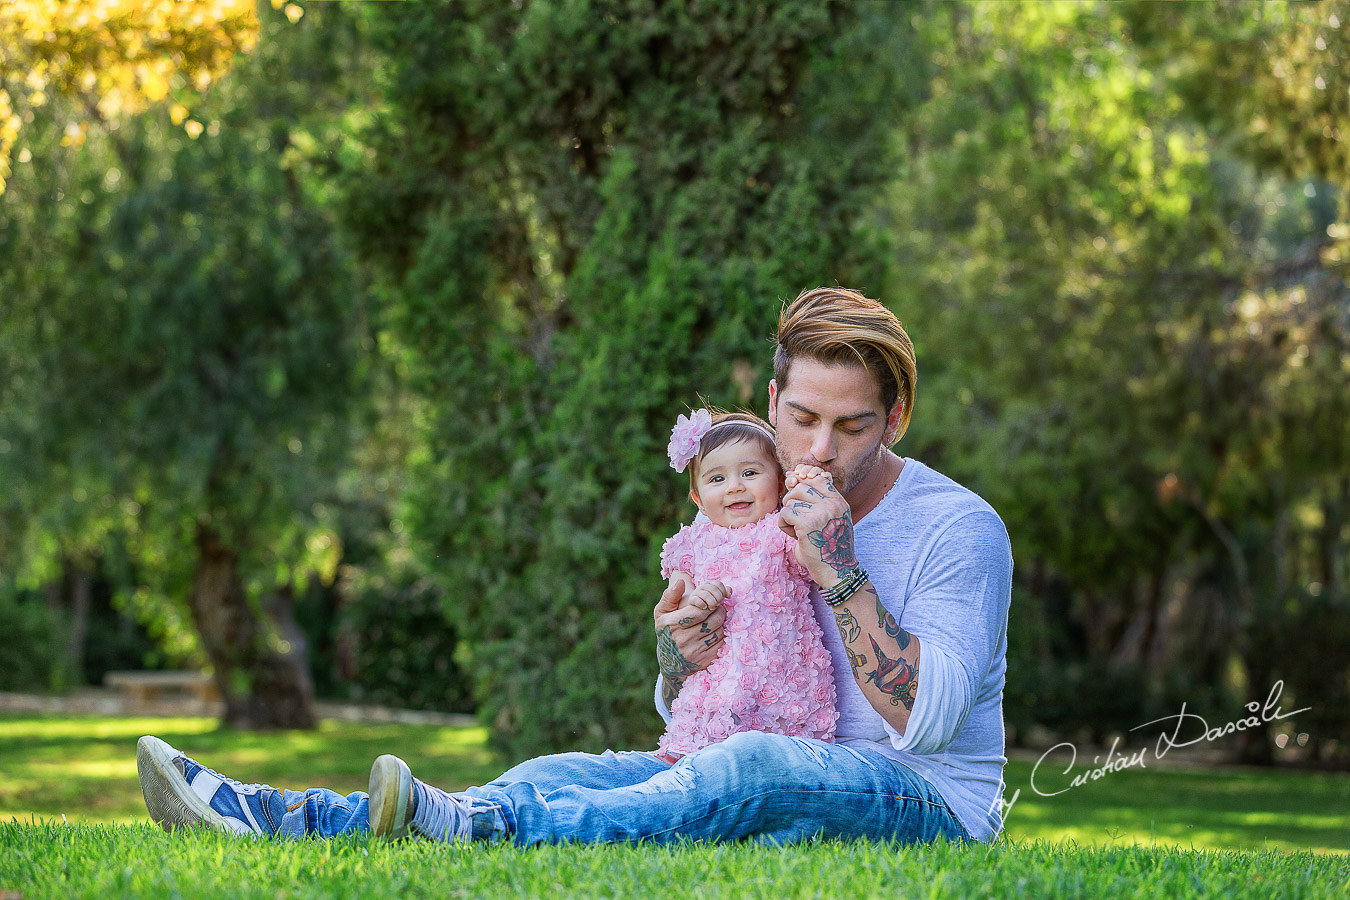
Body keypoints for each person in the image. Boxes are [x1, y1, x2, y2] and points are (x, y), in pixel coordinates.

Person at [136, 286, 1013, 845]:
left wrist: (839, 572)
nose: (820, 447)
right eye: (804, 418)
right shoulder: (749, 500)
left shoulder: (957, 528)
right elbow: (693, 694)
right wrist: (680, 653)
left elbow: (927, 725)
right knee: (549, 775)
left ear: (894, 419)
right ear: (773, 401)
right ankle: (279, 816)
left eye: (853, 426)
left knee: (750, 766)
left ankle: (472, 833)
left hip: (920, 801)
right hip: (757, 752)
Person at [654, 407, 836, 763]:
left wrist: (810, 495)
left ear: (780, 482)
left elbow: (809, 561)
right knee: (692, 766)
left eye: (750, 473)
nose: (735, 486)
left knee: (772, 762)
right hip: (719, 683)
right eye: (716, 479)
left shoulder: (780, 531)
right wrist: (696, 601)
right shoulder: (693, 541)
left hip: (779, 675)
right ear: (697, 498)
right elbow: (680, 601)